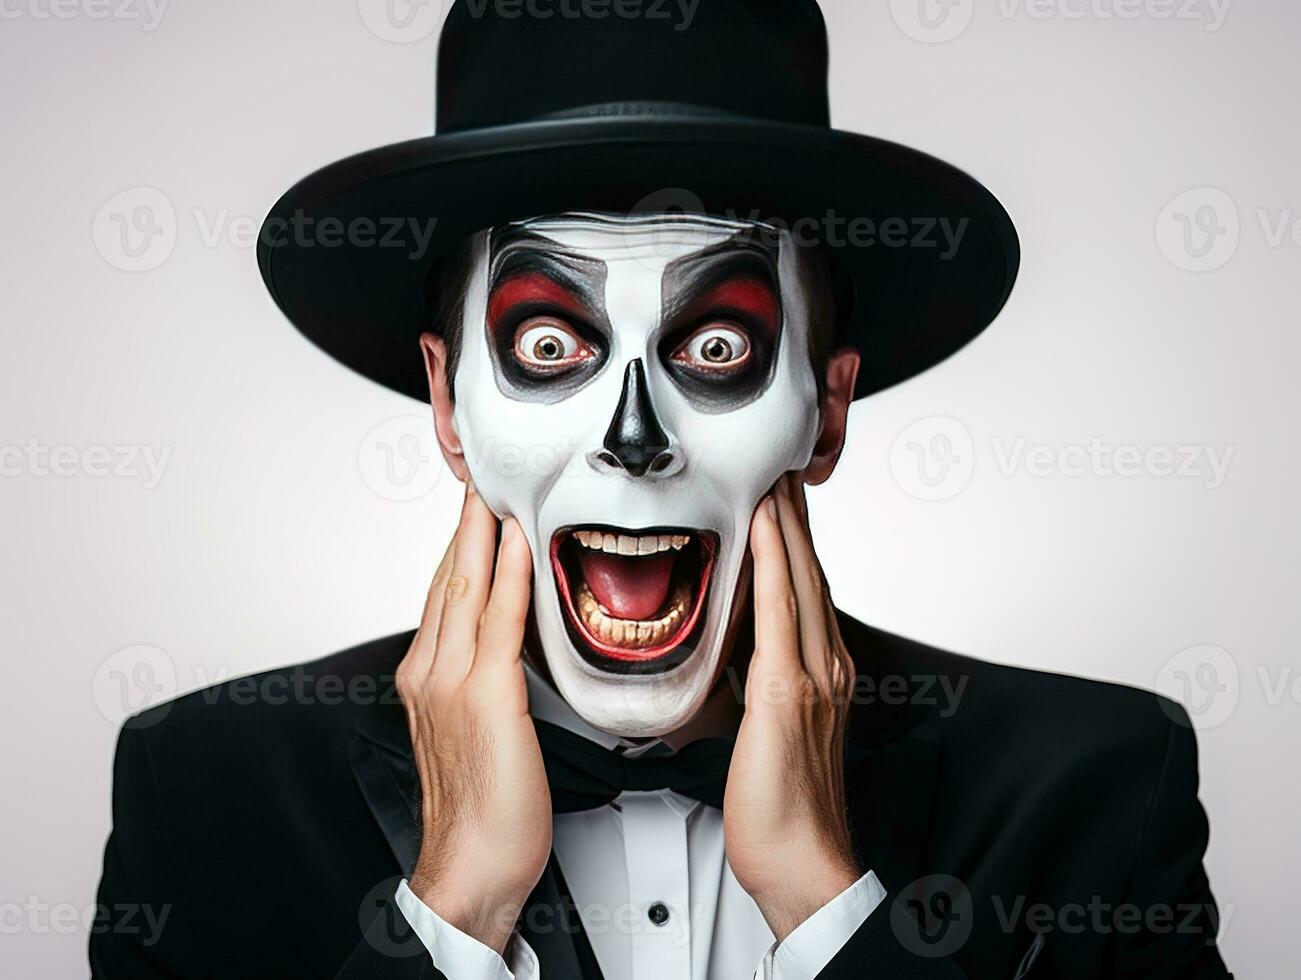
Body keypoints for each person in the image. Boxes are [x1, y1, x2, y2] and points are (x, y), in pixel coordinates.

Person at [91, 1, 1232, 977]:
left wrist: (829, 907)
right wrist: (450, 914)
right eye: (546, 344)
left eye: (718, 348)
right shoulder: (204, 801)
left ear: (824, 411)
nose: (634, 440)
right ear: (449, 407)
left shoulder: (1098, 792)